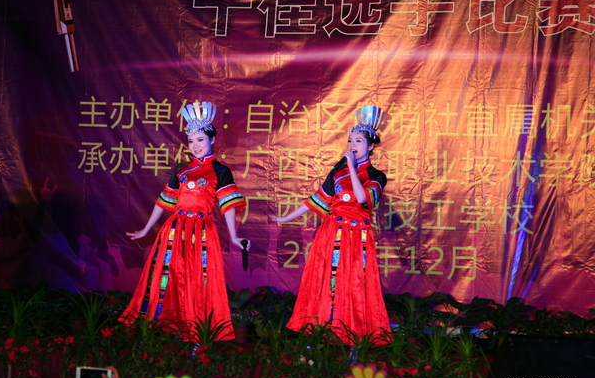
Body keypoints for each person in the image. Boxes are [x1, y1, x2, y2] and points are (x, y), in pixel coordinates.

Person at [119, 101, 249, 341]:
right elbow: (164, 201)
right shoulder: (181, 169)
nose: (195, 146)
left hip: (202, 231)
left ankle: (197, 331)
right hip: (174, 229)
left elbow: (228, 205)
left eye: (200, 140)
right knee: (169, 275)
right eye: (191, 141)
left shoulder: (220, 171)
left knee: (199, 278)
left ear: (212, 140)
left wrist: (233, 236)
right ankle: (164, 326)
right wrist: (146, 229)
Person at [271, 105, 392, 345]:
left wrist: (352, 168)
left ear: (371, 146)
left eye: (358, 141)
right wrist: (287, 217)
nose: (352, 145)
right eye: (350, 140)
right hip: (331, 233)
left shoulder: (377, 176)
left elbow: (362, 198)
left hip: (357, 237)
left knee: (355, 284)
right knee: (324, 280)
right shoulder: (338, 171)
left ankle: (354, 340)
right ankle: (319, 335)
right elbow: (318, 199)